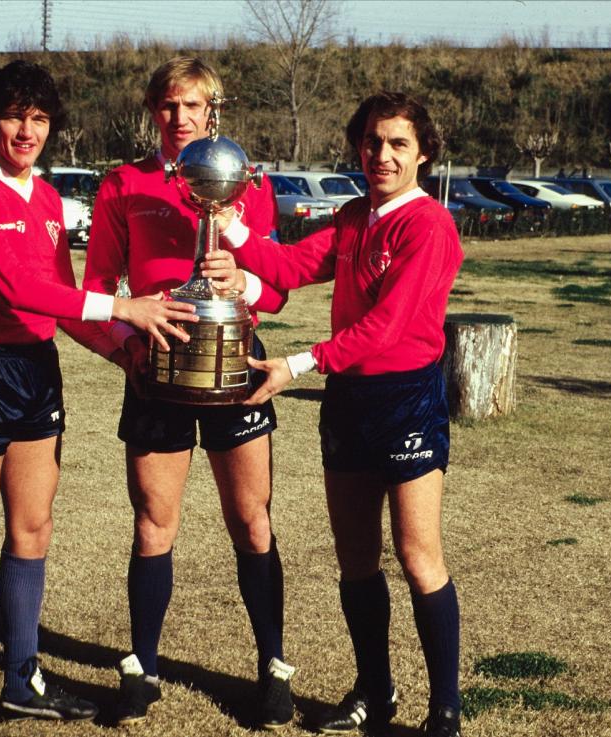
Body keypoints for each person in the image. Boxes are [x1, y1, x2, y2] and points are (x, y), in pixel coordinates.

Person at [0, 60, 198, 737]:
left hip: (36, 372)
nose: (27, 130)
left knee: (33, 529)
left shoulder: (48, 201)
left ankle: (22, 678)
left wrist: (122, 351)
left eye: (40, 119)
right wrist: (127, 306)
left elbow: (62, 304)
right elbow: (15, 288)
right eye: (16, 116)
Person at [207, 91, 465, 737]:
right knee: (355, 558)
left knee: (417, 554)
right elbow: (293, 264)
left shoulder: (428, 224)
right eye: (373, 142)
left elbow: (387, 325)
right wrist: (233, 228)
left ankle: (446, 710)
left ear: (424, 153)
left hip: (405, 396)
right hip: (348, 402)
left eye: (398, 143)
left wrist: (295, 364)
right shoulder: (356, 217)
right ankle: (375, 693)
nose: (382, 155)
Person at [82, 56, 296, 729]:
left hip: (234, 365)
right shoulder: (122, 184)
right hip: (157, 367)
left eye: (193, 106)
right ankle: (142, 668)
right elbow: (95, 290)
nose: (180, 119)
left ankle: (273, 669)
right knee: (153, 521)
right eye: (168, 106)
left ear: (214, 112)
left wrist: (244, 283)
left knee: (251, 519)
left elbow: (279, 290)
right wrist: (124, 352)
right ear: (154, 112)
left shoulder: (245, 181)